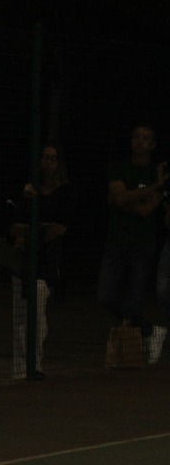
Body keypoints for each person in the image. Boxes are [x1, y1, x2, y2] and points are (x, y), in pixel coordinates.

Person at [99, 123, 166, 364]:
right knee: (105, 296)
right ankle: (150, 330)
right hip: (116, 241)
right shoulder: (119, 167)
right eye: (136, 137)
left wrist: (124, 199)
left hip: (142, 245)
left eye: (145, 138)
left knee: (135, 302)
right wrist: (152, 188)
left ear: (153, 144)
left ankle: (142, 335)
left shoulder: (158, 172)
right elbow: (119, 196)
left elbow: (147, 209)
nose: (139, 141)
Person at [9, 143, 73, 379]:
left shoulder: (65, 192)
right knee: (20, 315)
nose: (47, 161)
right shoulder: (29, 190)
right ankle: (20, 367)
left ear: (59, 163)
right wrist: (36, 230)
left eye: (52, 157)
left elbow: (60, 229)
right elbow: (14, 227)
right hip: (23, 260)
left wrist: (33, 232)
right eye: (44, 157)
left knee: (36, 314)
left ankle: (34, 364)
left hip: (47, 260)